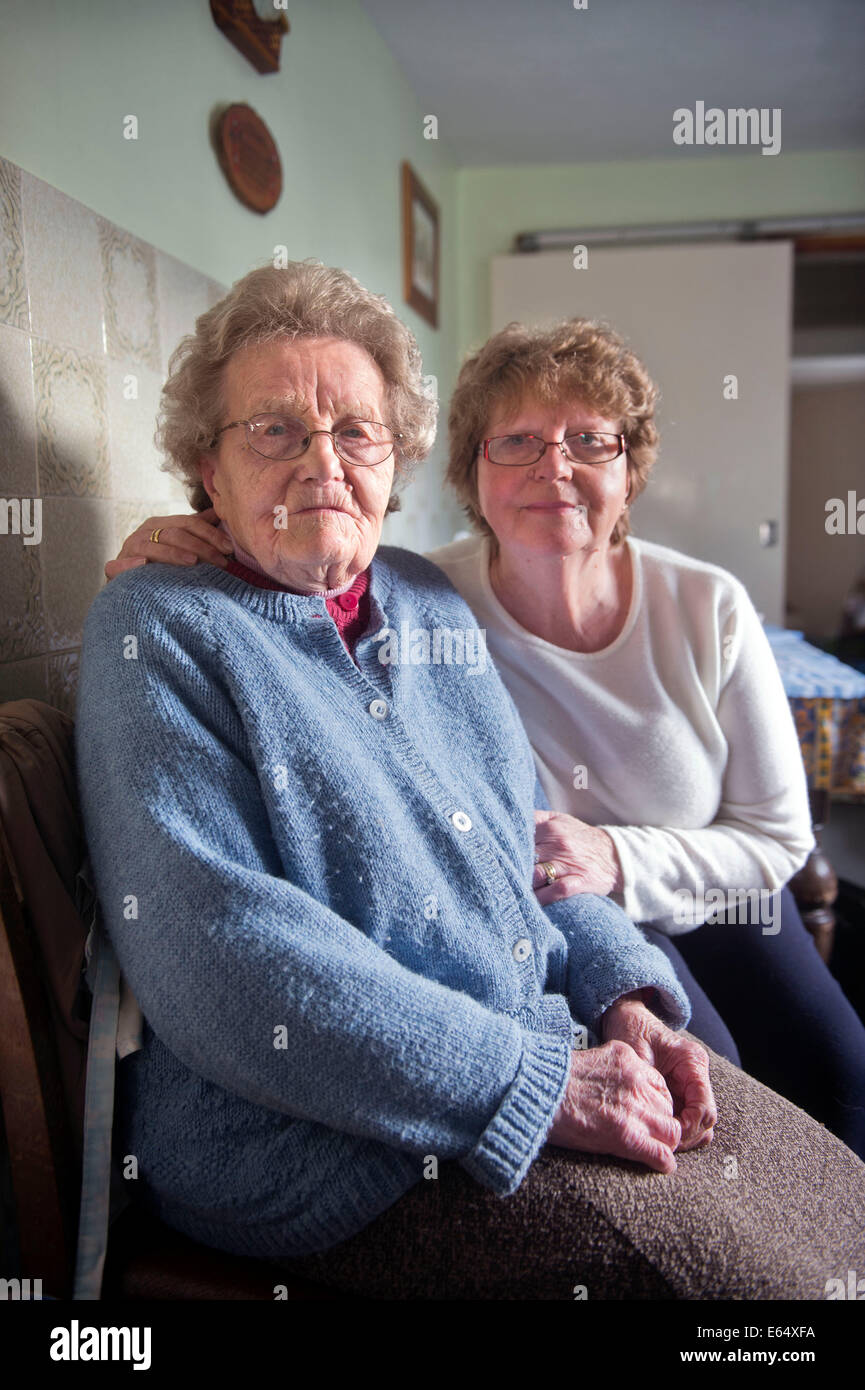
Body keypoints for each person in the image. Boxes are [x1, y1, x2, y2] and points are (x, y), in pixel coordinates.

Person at [88, 261, 865, 1298]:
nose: (323, 462)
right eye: (274, 430)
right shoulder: (157, 627)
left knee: (832, 1197)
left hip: (537, 1042)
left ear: (395, 461)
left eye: (356, 431)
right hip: (323, 1144)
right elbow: (222, 955)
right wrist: (529, 1084)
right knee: (759, 1287)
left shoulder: (422, 600)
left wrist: (623, 991)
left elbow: (522, 848)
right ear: (204, 467)